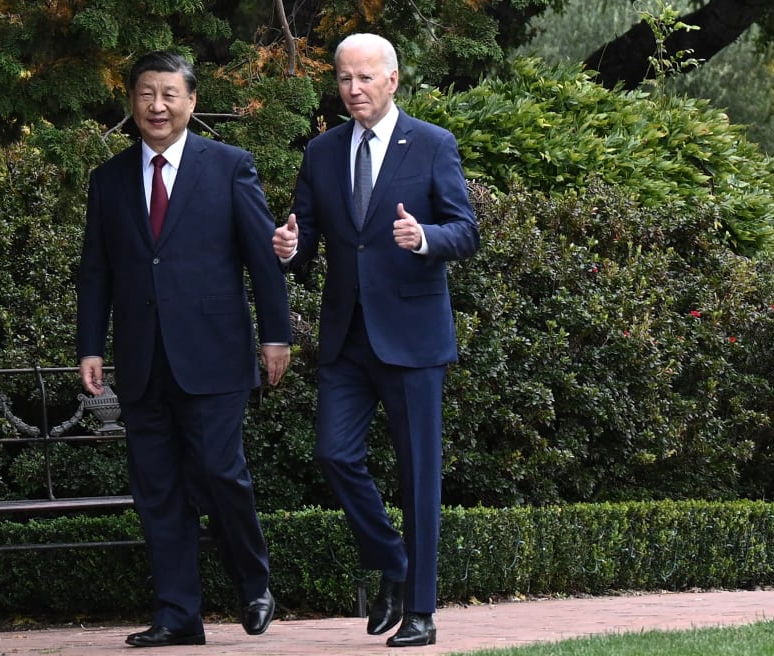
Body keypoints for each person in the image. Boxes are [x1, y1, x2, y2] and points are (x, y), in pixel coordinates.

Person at [77, 51, 292, 648]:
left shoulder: (229, 166)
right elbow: (96, 271)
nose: (158, 106)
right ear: (132, 102)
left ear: (192, 102)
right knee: (158, 489)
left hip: (216, 355)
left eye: (170, 94)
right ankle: (178, 616)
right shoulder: (109, 179)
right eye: (147, 94)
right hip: (144, 360)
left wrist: (277, 334)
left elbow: (262, 257)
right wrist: (90, 345)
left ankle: (254, 584)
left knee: (222, 472)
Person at [272, 33, 479, 648]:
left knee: (419, 475)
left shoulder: (433, 144)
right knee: (333, 454)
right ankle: (394, 560)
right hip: (347, 338)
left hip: (413, 335)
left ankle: (421, 612)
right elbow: (305, 234)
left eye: (365, 78)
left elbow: (464, 229)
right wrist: (290, 248)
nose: (353, 89)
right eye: (343, 79)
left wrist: (424, 239)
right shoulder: (321, 152)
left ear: (393, 80)